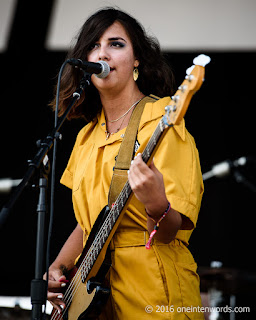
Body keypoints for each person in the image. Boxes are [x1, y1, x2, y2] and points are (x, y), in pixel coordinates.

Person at [46, 7, 204, 320]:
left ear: (136, 60)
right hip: (93, 298)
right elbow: (89, 221)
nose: (101, 52)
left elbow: (168, 232)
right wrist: (59, 267)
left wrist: (156, 203)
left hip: (153, 292)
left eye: (116, 44)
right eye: (93, 45)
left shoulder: (162, 119)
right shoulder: (86, 136)